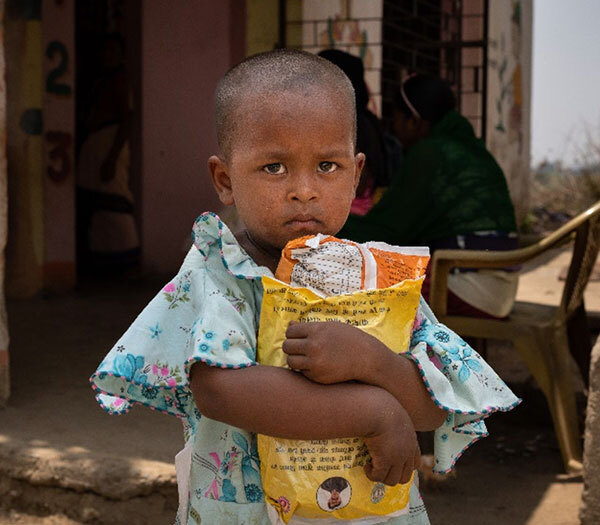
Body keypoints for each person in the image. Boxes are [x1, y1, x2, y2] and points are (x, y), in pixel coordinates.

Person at [90, 50, 519, 524]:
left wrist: (371, 361)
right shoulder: (219, 272)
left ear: (356, 175)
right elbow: (219, 389)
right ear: (225, 180)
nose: (304, 190)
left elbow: (433, 405)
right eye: (274, 167)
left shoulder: (379, 279)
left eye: (327, 167)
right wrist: (372, 411)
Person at [340, 74, 519, 319]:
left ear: (414, 121)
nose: (394, 127)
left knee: (357, 281)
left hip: (467, 288)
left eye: (398, 119)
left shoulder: (431, 154)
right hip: (502, 286)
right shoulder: (471, 149)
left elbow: (387, 230)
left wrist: (330, 223)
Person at [76, 33, 140, 278]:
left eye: (113, 51)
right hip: (94, 147)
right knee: (97, 208)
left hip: (109, 146)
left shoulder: (120, 80)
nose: (108, 56)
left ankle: (128, 261)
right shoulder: (100, 81)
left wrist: (112, 157)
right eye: (105, 51)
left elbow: (126, 119)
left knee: (116, 202)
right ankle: (105, 263)